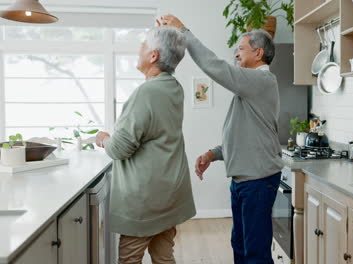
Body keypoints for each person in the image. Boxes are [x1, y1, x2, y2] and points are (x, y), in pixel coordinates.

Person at [162, 15, 284, 264]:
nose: (236, 54)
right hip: (244, 180)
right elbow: (245, 136)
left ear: (258, 53)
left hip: (258, 181)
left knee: (256, 253)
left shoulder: (262, 81)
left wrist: (183, 31)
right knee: (240, 245)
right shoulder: (250, 88)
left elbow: (216, 67)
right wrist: (213, 153)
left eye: (240, 49)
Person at [95, 26, 196, 264]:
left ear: (153, 56)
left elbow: (119, 148)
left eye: (143, 45)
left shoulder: (146, 93)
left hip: (145, 199)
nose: (138, 49)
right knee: (163, 257)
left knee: (130, 259)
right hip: (170, 193)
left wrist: (104, 138)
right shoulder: (174, 87)